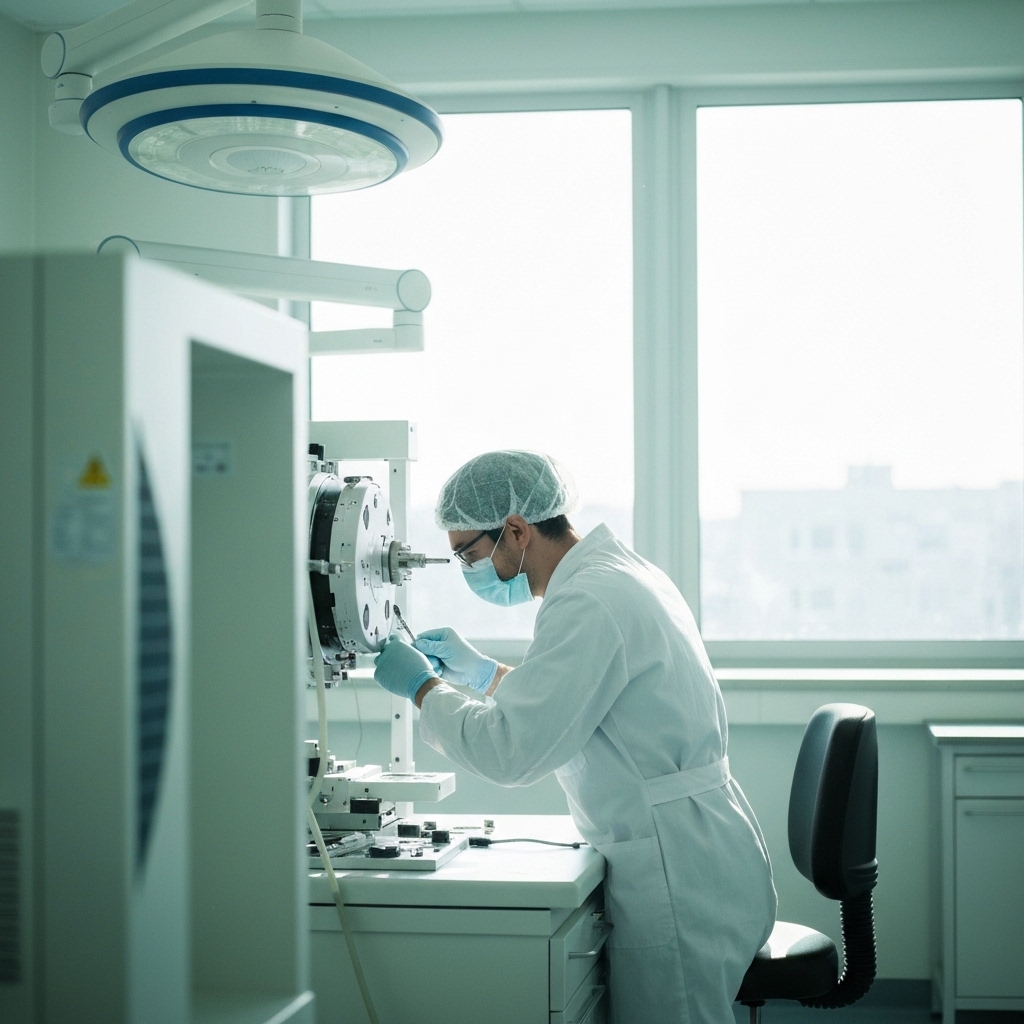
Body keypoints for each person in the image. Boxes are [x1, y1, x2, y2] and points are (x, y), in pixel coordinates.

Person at [373, 450, 776, 1024]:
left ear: (515, 530)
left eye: (467, 554)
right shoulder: (615, 572)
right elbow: (591, 702)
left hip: (675, 870)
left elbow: (512, 752)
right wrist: (487, 676)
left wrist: (423, 689)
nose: (467, 570)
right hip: (695, 845)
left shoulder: (587, 601)